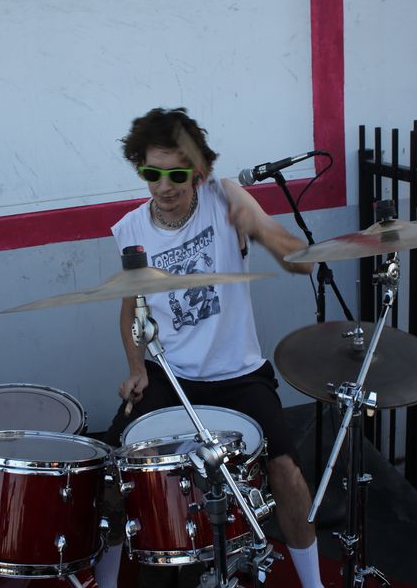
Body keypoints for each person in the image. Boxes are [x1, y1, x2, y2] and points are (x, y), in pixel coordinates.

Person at [94, 108, 324, 588]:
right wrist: (136, 367)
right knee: (110, 474)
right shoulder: (131, 229)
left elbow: (302, 263)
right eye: (151, 173)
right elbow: (130, 308)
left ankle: (314, 582)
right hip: (171, 376)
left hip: (239, 374)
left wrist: (258, 225)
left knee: (286, 470)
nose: (164, 186)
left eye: (176, 175)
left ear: (197, 172)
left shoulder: (224, 200)